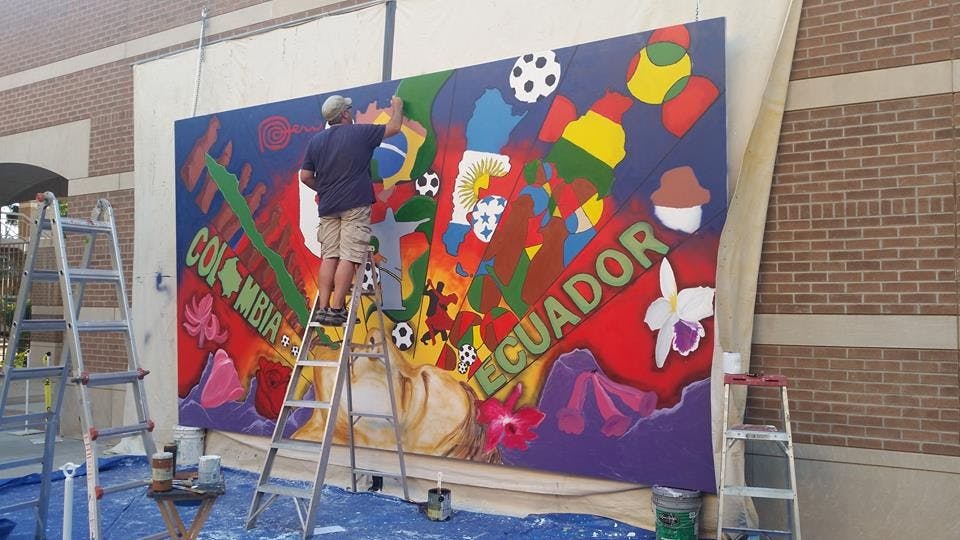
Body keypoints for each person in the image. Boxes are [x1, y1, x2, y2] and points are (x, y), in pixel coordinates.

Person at [300, 94, 404, 325]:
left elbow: (305, 176)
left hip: (328, 208)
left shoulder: (316, 142)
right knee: (349, 256)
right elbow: (394, 127)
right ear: (345, 114)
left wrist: (325, 188)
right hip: (354, 205)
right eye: (350, 109)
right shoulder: (359, 133)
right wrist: (397, 106)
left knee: (330, 256)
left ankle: (323, 308)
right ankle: (337, 309)